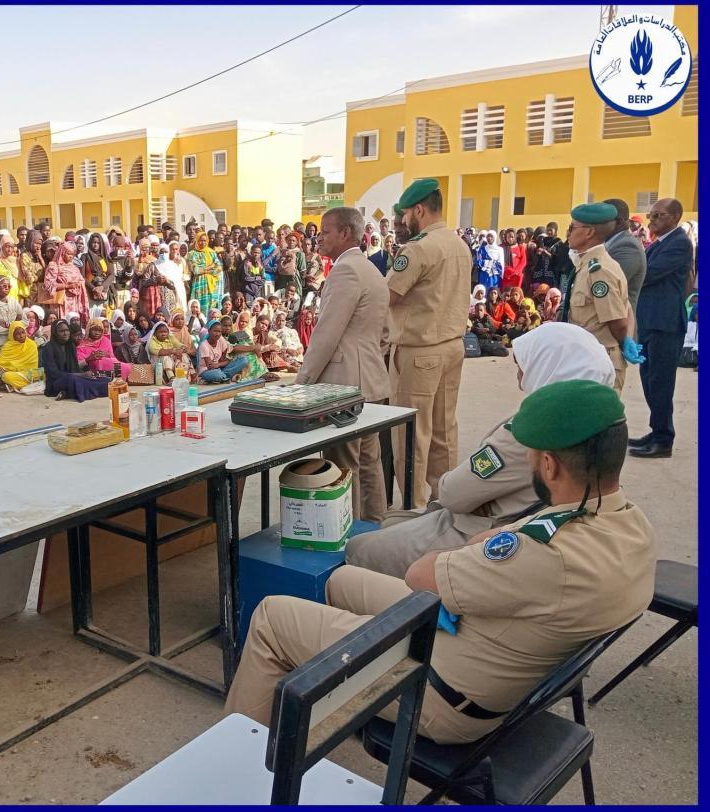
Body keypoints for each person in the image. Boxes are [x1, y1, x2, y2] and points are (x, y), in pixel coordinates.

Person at [226, 379, 656, 745]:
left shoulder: (546, 553)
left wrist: (474, 549)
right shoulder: (629, 525)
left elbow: (422, 573)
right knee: (342, 581)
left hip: (444, 692)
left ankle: (233, 769)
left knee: (271, 619)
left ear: (549, 464)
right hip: (487, 648)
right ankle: (321, 701)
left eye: (531, 453)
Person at [348, 322, 615, 575]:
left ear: (549, 367)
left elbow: (453, 494)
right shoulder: (597, 420)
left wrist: (448, 482)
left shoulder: (530, 431)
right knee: (391, 522)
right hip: (522, 526)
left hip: (480, 532)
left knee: (357, 550)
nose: (519, 377)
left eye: (525, 367)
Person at [296, 207, 389, 521]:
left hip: (344, 386)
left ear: (345, 233)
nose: (319, 238)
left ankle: (350, 533)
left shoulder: (345, 270)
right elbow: (386, 333)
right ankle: (375, 525)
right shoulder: (371, 270)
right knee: (369, 461)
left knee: (344, 467)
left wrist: (302, 383)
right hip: (371, 379)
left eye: (325, 231)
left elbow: (326, 334)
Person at [387, 179, 472, 507]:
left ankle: (414, 506)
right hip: (452, 346)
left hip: (420, 352)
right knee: (443, 430)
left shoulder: (417, 249)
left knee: (412, 433)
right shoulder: (458, 243)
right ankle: (445, 500)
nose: (403, 220)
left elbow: (389, 296)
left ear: (419, 210)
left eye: (406, 214)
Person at [630, 198, 695, 459]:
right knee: (649, 378)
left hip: (666, 323)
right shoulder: (658, 242)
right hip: (650, 321)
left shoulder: (679, 243)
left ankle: (663, 439)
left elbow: (648, 274)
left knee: (661, 382)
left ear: (675, 217)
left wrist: (629, 274)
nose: (652, 220)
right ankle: (656, 430)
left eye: (659, 215)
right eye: (651, 215)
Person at [560, 203, 640, 393]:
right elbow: (626, 306)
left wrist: (625, 339)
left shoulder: (599, 270)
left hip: (600, 363)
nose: (568, 232)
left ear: (589, 232)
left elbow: (617, 320)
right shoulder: (586, 264)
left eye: (572, 227)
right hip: (586, 359)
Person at [39, 319, 110, 402]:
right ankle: (70, 391)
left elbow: (75, 368)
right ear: (54, 332)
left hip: (73, 377)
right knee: (74, 379)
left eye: (67, 330)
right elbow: (53, 373)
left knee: (104, 379)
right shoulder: (49, 348)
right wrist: (80, 375)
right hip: (56, 382)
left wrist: (85, 374)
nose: (65, 333)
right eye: (61, 331)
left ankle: (68, 392)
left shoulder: (70, 345)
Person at [602, 199, 647, 314]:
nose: (595, 225)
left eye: (601, 220)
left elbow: (606, 285)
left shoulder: (628, 246)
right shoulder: (610, 242)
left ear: (618, 222)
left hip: (616, 321)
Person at [43, 241, 90, 324]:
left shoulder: (74, 268)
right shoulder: (54, 266)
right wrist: (67, 286)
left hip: (74, 301)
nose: (71, 256)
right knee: (61, 323)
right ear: (62, 253)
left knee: (72, 322)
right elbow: (48, 285)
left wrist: (78, 284)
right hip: (61, 301)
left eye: (72, 254)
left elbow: (81, 281)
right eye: (68, 254)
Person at [0, 321, 43, 391]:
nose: (21, 335)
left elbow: (33, 366)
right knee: (6, 376)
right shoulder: (7, 346)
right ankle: (31, 383)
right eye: (18, 334)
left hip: (29, 373)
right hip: (14, 374)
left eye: (23, 332)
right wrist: (14, 368)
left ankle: (13, 386)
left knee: (44, 373)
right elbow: (0, 365)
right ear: (12, 335)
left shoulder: (32, 344)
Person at [188, 232, 222, 317]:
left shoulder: (212, 252)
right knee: (198, 306)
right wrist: (210, 267)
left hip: (212, 285)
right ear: (196, 241)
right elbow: (195, 270)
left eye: (204, 240)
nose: (202, 243)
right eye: (200, 240)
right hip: (199, 284)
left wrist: (204, 269)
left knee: (211, 307)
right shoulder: (192, 254)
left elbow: (218, 268)